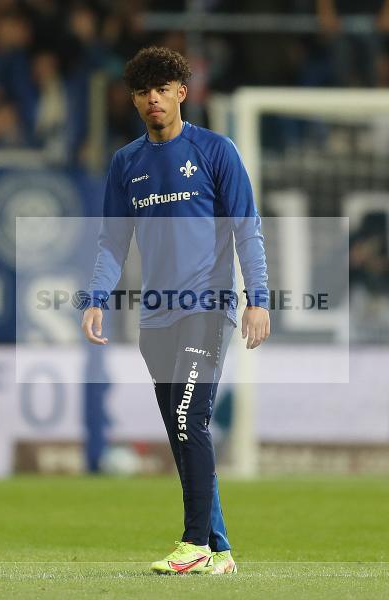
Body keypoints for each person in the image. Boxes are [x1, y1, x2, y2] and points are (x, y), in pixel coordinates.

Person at [77, 46, 270, 575]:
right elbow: (112, 243)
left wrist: (259, 299)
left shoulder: (215, 151)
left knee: (188, 420)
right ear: (134, 99)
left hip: (206, 307)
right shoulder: (126, 163)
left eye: (162, 89)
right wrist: (95, 299)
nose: (152, 99)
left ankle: (193, 543)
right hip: (155, 317)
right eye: (143, 91)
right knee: (183, 434)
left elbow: (246, 229)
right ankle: (221, 551)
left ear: (182, 92)